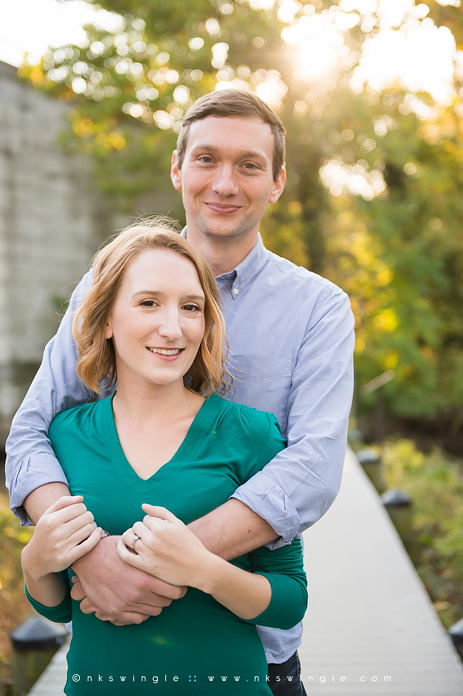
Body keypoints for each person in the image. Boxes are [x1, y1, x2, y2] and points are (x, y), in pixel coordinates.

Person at [6, 89, 355, 696]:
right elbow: (34, 429)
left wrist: (156, 562)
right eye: (206, 159)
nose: (224, 182)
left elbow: (314, 466)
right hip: (115, 648)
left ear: (276, 183)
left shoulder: (318, 309)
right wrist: (87, 557)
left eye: (249, 164)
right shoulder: (104, 285)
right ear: (177, 168)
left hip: (248, 653)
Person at [21, 221, 308, 695]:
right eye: (149, 302)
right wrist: (35, 563)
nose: (173, 328)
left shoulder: (251, 435)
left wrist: (203, 569)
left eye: (191, 307)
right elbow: (60, 607)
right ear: (107, 320)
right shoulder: (66, 437)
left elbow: (289, 600)